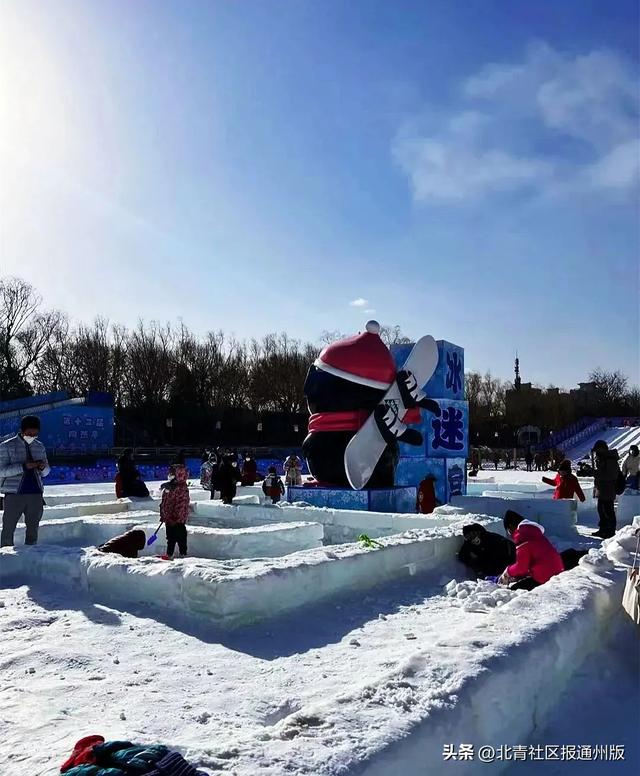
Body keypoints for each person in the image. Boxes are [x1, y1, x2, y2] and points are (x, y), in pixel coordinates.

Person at [0, 415, 50, 547]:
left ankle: (30, 555)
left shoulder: (39, 446)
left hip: (35, 493)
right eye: (29, 433)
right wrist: (23, 466)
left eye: (35, 434)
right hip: (14, 494)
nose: (32, 436)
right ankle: (5, 556)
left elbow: (46, 472)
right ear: (22, 431)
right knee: (8, 527)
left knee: (33, 528)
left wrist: (43, 468)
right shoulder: (7, 446)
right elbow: (1, 471)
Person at [499, 510, 564, 591]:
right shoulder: (533, 533)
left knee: (514, 589)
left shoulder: (522, 537)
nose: (510, 534)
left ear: (511, 526)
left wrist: (508, 572)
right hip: (557, 573)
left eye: (508, 531)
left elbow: (521, 567)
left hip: (545, 577)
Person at [592, 440, 621, 539]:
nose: (596, 453)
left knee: (608, 511)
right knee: (601, 510)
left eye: (597, 450)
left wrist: (595, 473)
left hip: (608, 489)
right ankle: (603, 529)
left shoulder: (610, 459)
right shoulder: (602, 459)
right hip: (602, 489)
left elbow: (610, 476)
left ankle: (610, 531)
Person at [159, 464, 190, 558]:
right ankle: (169, 554)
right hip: (169, 518)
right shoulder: (170, 486)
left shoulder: (181, 488)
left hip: (177, 519)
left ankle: (182, 554)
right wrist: (164, 514)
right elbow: (166, 502)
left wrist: (174, 517)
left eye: (172, 473)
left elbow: (181, 505)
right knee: (170, 538)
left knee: (180, 538)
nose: (169, 475)